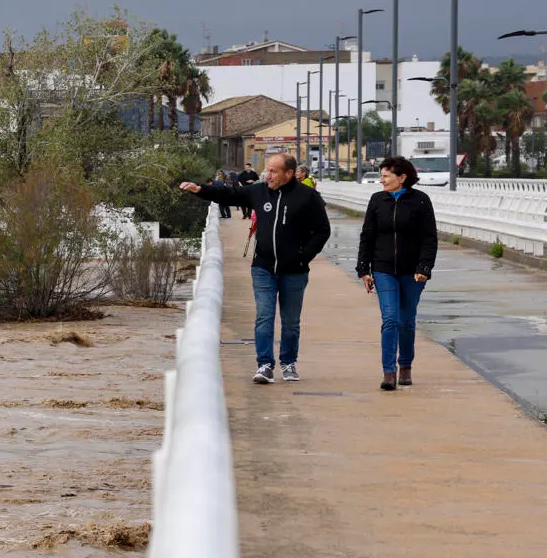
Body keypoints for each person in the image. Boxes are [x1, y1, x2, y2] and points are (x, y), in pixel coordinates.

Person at [179, 153, 331, 384]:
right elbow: (229, 194)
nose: (267, 175)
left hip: (295, 271)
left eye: (273, 171)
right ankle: (265, 365)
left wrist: (304, 256)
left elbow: (322, 230)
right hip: (263, 268)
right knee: (264, 317)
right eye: (267, 171)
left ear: (289, 174)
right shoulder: (259, 192)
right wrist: (200, 189)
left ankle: (289, 363)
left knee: (291, 321)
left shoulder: (308, 196)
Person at [356, 154, 438, 391]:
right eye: (381, 176)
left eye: (385, 176)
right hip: (383, 269)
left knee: (406, 321)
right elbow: (367, 236)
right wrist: (363, 269)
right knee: (390, 319)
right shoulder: (377, 200)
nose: (381, 180)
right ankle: (388, 371)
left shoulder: (420, 201)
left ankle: (406, 366)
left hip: (412, 272)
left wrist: (424, 267)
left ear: (402, 177)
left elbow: (429, 238)